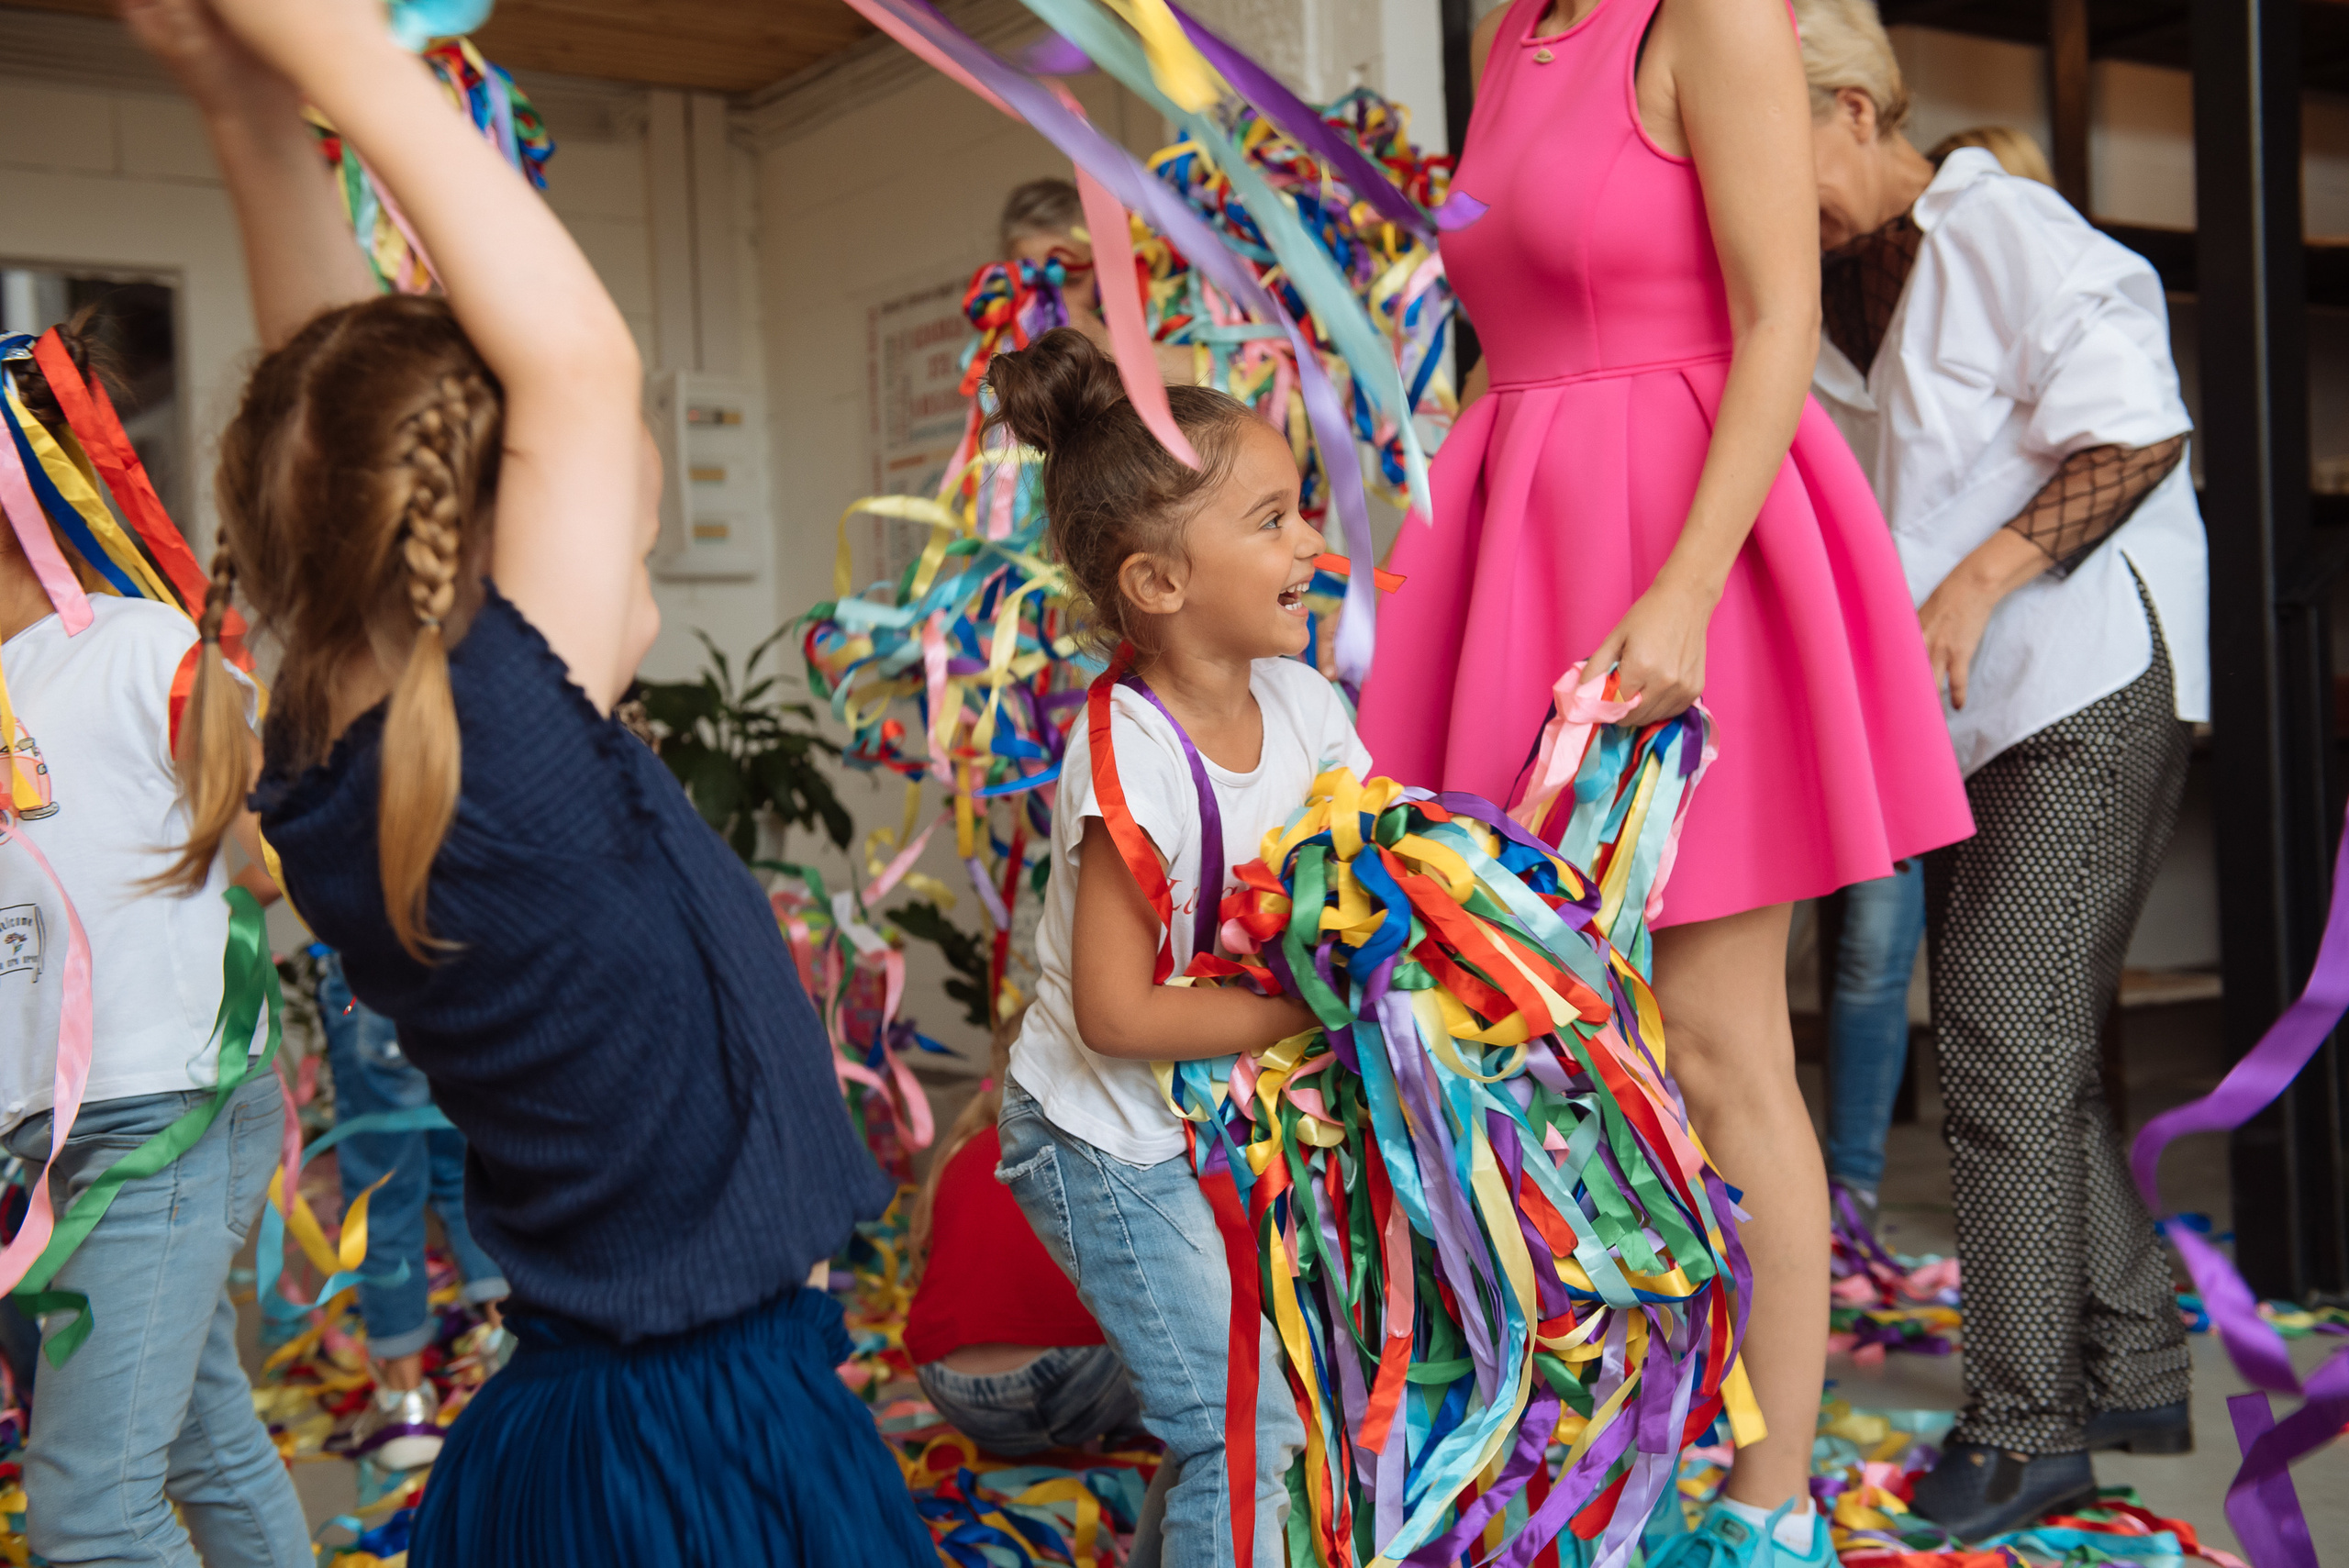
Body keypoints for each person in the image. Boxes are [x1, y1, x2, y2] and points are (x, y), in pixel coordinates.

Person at [129, 0, 934, 1562]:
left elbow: (334, 412)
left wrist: (243, 104)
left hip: (582, 1421)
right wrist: (327, 43)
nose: (645, 595)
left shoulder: (339, 758)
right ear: (485, 555)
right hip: (707, 1446)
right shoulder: (506, 759)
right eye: (633, 548)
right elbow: (578, 363)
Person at [1356, 0, 1975, 1559]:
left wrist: (1688, 589)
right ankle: (1577, 1456)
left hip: (1680, 545)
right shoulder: (1514, 36)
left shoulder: (1715, 14)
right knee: (1516, 1030)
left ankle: (1772, 1512)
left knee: (1714, 1040)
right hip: (1514, 535)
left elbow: (1778, 321)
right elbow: (1503, 337)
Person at [1800, 0, 2206, 1536]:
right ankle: (2138, 1363)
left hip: (2078, 679)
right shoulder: (1827, 288)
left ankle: (2030, 1429)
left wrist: (1973, 583)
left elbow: (2137, 430)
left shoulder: (1998, 225)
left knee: (1994, 1045)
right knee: (2026, 1048)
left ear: (1853, 110)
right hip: (1965, 720)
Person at [989, 326, 1346, 1566]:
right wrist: (1309, 1010)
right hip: (1097, 1136)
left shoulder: (1308, 707)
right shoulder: (1129, 757)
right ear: (1158, 582)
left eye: (1301, 509)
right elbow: (1117, 1015)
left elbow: (1373, 869)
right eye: (1272, 520)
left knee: (1237, 1418)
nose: (1313, 542)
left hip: (1203, 1123)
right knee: (1240, 1433)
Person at [0, 313, 308, 1568]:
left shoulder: (140, 650)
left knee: (88, 1512)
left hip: (161, 1113)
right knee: (198, 1441)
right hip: (33, 1144)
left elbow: (274, 853)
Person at [1814, 127, 2053, 1230]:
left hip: (2006, 686)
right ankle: (1849, 1193)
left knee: (2000, 971)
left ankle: (2006, 1205)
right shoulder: (1861, 321)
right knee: (1871, 940)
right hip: (1880, 677)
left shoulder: (2029, 334)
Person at [904, 1020, 1141, 1454]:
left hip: (951, 1386)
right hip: (1076, 1382)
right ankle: (1132, 1432)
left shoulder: (959, 1151)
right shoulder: (1091, 1143)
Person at [313, 955, 508, 1471]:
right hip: (454, 965)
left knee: (381, 1190)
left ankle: (407, 1402)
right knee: (469, 1163)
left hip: (368, 986)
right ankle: (506, 1345)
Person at [1000, 178, 1197, 385]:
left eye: (1073, 280)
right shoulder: (1005, 347)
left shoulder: (1161, 309)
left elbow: (1216, 374)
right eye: (1035, 286)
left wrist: (1111, 347)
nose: (1057, 302)